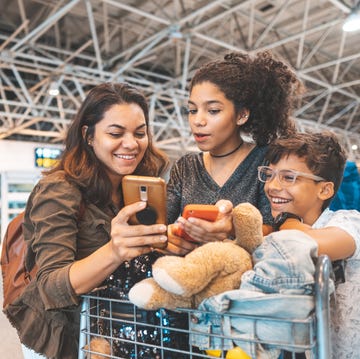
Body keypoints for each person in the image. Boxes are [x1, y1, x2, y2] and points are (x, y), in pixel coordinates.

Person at [3, 82, 170, 359]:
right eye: (116, 133)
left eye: (140, 133)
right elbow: (50, 286)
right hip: (67, 337)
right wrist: (114, 251)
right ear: (89, 135)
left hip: (123, 331)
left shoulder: (137, 188)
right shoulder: (59, 189)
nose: (131, 144)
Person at [166, 50, 304, 254]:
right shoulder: (185, 167)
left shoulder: (265, 161)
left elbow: (276, 226)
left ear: (241, 115)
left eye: (213, 111)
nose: (198, 121)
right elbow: (163, 222)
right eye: (193, 110)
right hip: (186, 276)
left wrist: (233, 229)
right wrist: (169, 236)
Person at [258, 131, 360, 358]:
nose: (272, 186)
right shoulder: (278, 233)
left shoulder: (348, 221)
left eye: (288, 177)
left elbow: (308, 244)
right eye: (269, 174)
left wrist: (285, 221)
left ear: (324, 189)